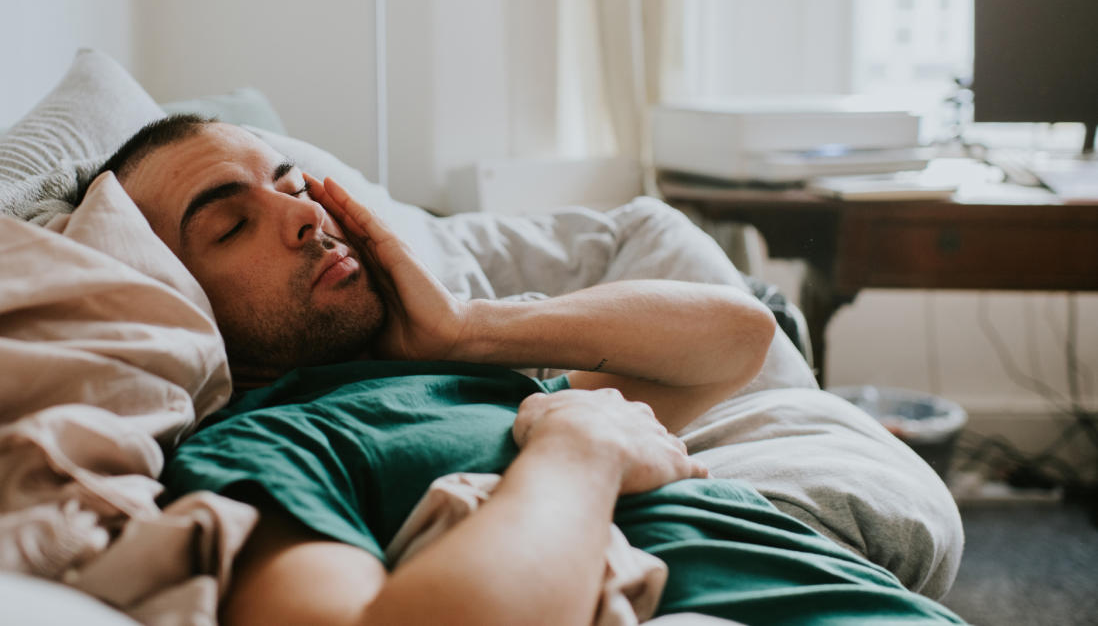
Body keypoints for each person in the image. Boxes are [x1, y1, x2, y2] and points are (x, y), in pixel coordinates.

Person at [92, 115, 964, 625]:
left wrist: (467, 328)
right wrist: (580, 451)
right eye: (229, 225)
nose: (301, 219)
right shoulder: (264, 449)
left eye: (292, 185)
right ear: (176, 290)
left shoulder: (463, 381)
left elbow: (738, 340)